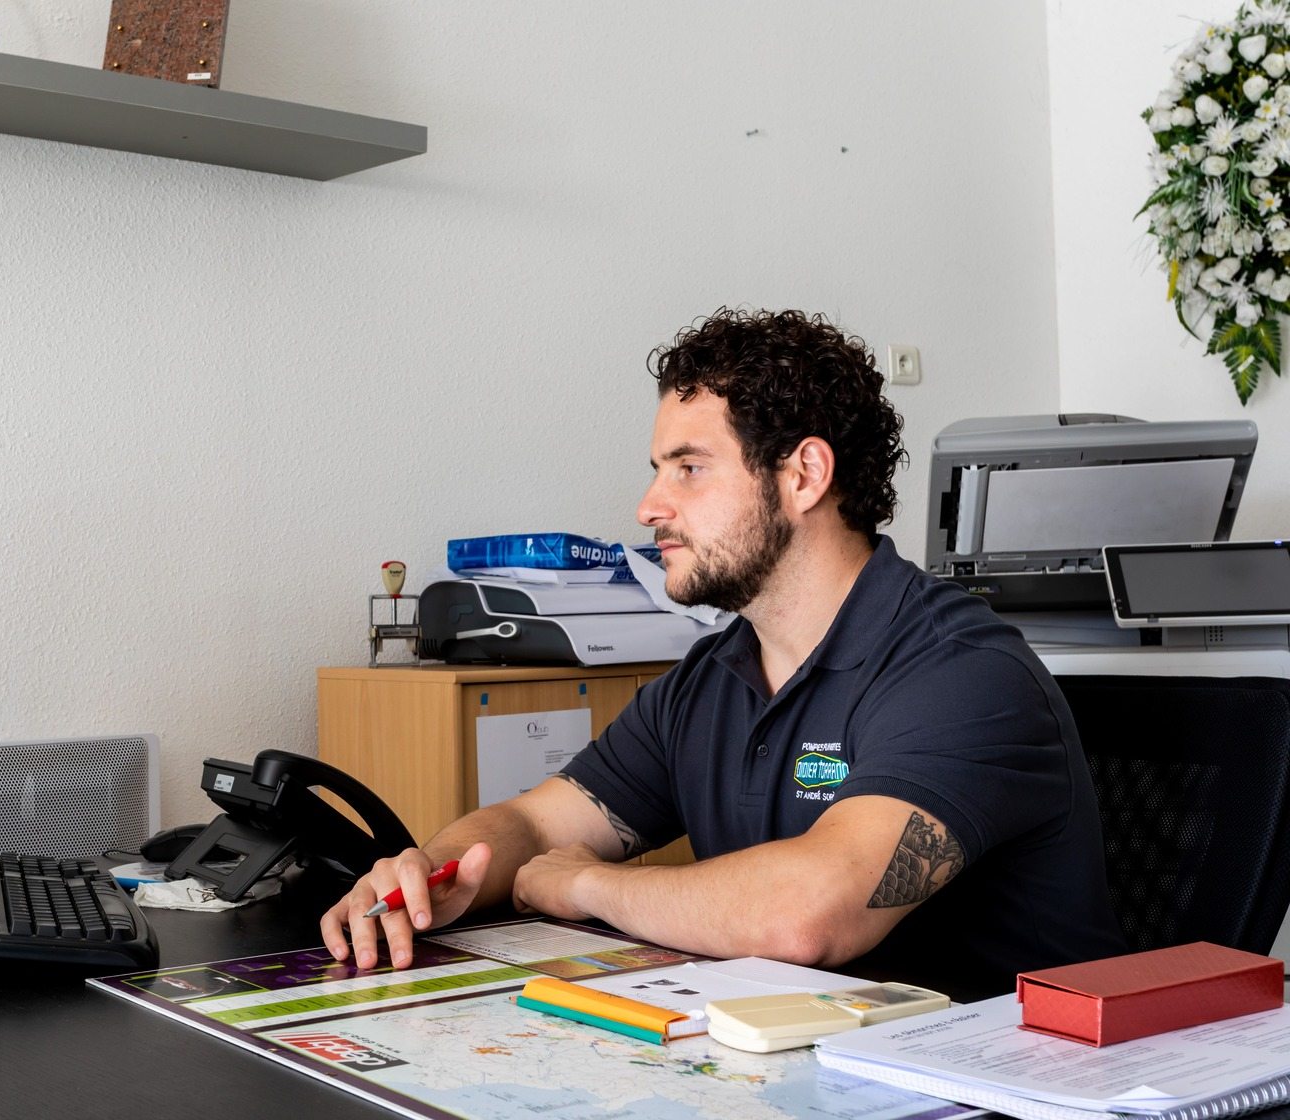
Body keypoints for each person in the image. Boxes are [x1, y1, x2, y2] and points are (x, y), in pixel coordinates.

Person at [321, 307, 1126, 995]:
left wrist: (589, 884)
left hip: (986, 1093)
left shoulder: (963, 671)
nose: (648, 506)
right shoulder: (709, 680)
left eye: (690, 469)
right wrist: (430, 875)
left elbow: (807, 915)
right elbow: (534, 824)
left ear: (804, 474)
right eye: (656, 470)